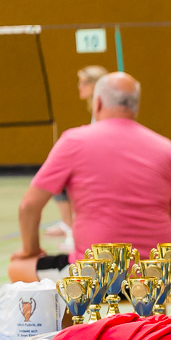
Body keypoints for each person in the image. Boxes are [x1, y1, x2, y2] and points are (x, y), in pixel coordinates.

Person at [8, 72, 171, 282]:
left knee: (18, 268)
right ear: (135, 107)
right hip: (158, 276)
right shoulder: (167, 148)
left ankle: (77, 304)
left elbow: (28, 206)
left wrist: (30, 250)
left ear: (98, 103)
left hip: (96, 273)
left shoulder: (74, 141)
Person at [45, 65, 109, 244]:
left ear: (94, 85)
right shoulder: (96, 105)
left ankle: (70, 225)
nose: (79, 86)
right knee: (59, 171)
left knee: (59, 175)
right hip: (97, 158)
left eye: (83, 82)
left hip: (103, 164)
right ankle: (68, 223)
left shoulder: (105, 106)